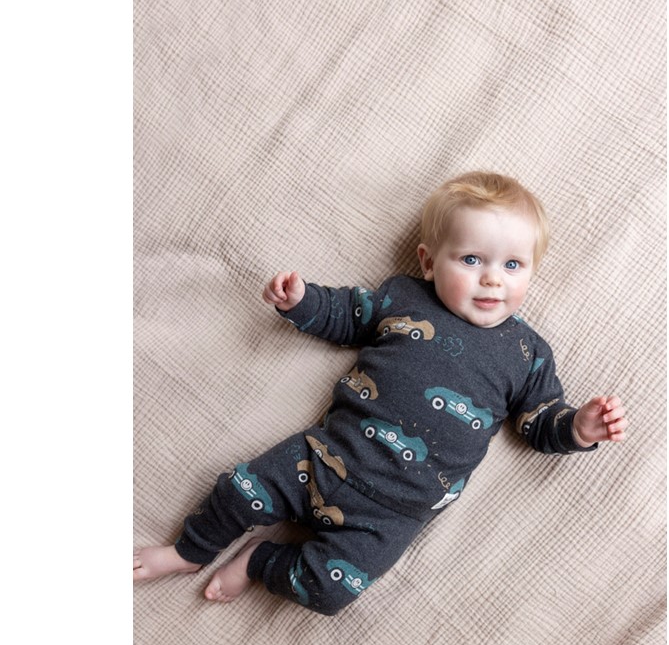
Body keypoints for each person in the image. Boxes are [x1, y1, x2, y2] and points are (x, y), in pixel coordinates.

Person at [133, 171, 628, 615]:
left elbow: (539, 421)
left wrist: (578, 428)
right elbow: (348, 315)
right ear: (428, 262)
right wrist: (302, 301)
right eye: (472, 259)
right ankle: (188, 552)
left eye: (514, 265)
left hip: (391, 515)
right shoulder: (405, 298)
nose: (492, 279)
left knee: (330, 592)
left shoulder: (527, 353)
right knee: (240, 489)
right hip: (322, 456)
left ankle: (259, 561)